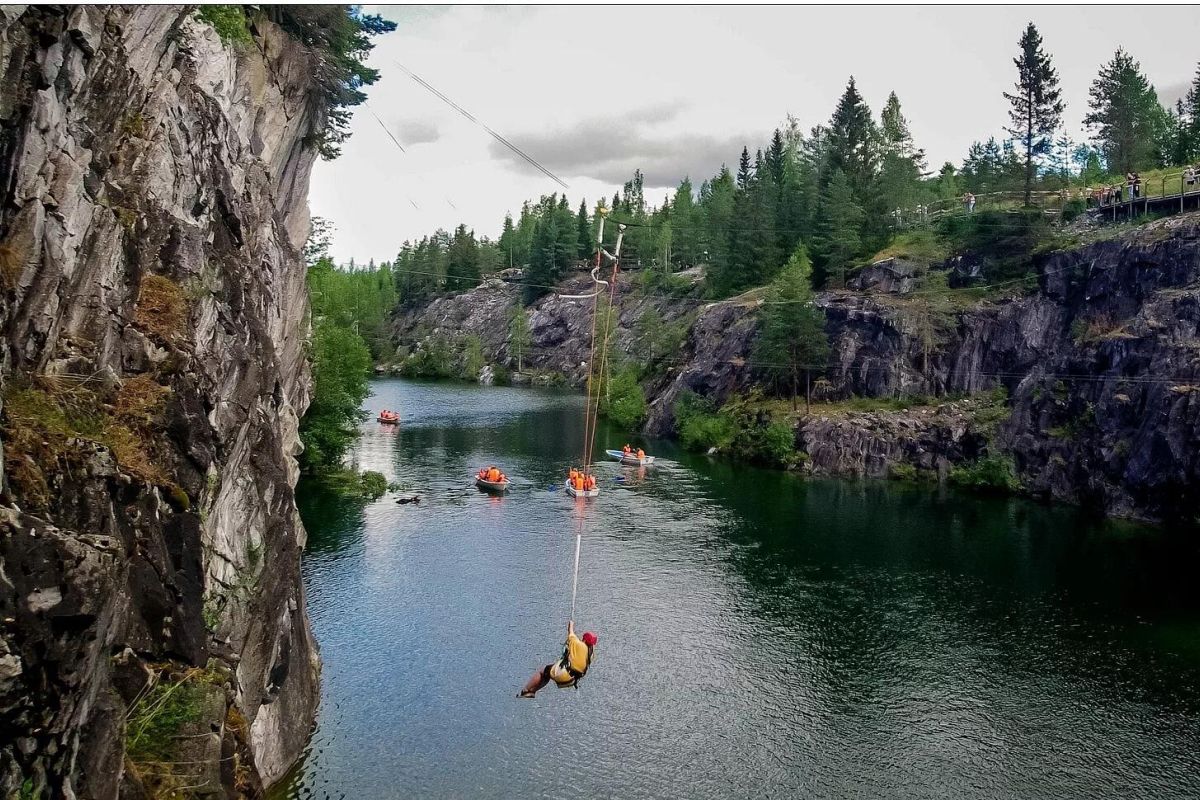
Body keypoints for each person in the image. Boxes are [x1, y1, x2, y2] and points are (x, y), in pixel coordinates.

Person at [519, 622, 598, 697]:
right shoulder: (591, 654)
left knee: (543, 671)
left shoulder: (578, 644)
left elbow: (571, 633)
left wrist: (571, 625)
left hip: (564, 675)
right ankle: (532, 691)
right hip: (572, 679)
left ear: (584, 639)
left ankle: (526, 690)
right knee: (547, 674)